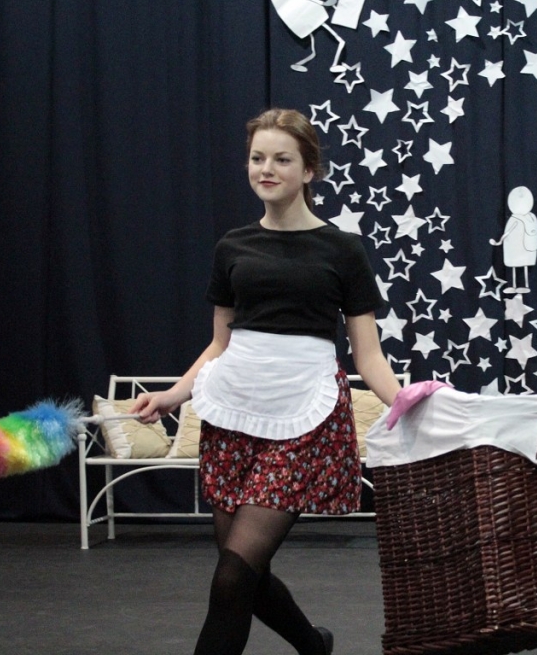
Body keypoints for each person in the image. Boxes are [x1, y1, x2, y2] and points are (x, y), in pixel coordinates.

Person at [130, 108, 401, 655]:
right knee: (243, 576)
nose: (266, 169)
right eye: (257, 158)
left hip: (304, 417)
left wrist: (408, 403)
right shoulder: (232, 246)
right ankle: (313, 645)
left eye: (281, 159)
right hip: (233, 415)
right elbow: (219, 345)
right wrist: (173, 396)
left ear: (309, 170)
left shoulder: (343, 249)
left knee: (233, 576)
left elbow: (367, 354)